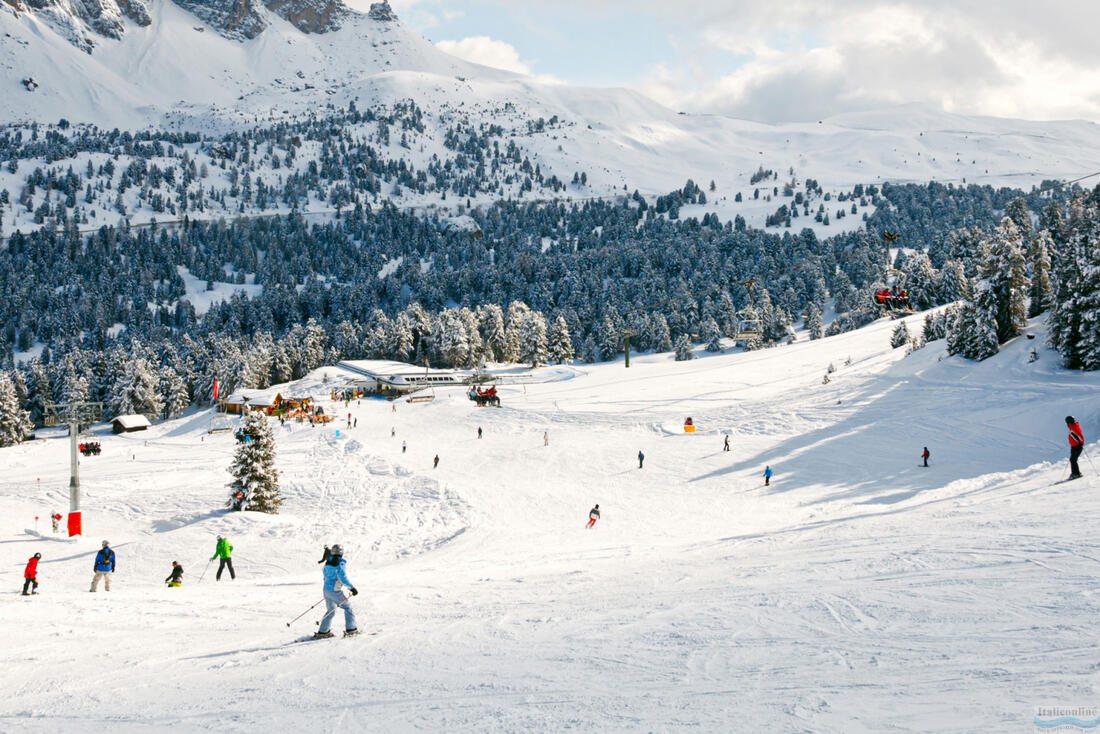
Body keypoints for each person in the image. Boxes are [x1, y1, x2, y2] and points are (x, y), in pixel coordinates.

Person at [314, 544, 359, 639]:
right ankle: (351, 630)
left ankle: (323, 632)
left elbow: (325, 575)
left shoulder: (328, 562)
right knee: (348, 607)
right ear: (341, 553)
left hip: (326, 590)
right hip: (334, 591)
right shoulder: (340, 563)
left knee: (331, 610)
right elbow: (343, 578)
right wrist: (352, 588)